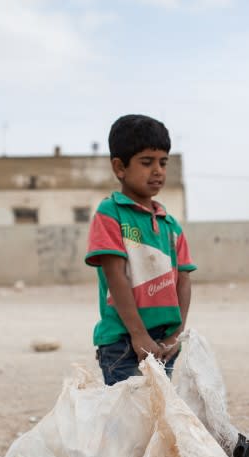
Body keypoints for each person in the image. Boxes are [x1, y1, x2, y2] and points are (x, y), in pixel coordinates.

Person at [84, 114, 196, 385]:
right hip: (123, 341)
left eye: (163, 162)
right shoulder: (111, 213)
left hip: (163, 342)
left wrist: (176, 335)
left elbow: (183, 280)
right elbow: (116, 276)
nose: (157, 170)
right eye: (147, 162)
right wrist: (138, 335)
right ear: (120, 167)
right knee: (130, 410)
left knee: (157, 408)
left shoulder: (170, 225)